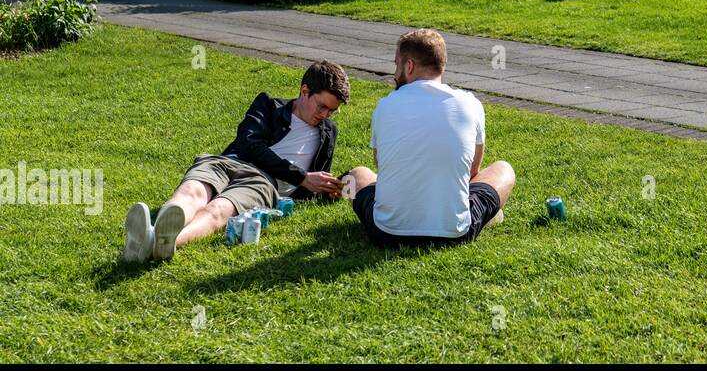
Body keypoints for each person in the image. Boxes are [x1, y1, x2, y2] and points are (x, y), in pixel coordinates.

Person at [121, 61, 350, 263]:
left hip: (262, 182)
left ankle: (159, 243)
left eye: (332, 111)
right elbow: (249, 144)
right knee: (192, 191)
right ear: (305, 91)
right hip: (228, 162)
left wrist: (328, 188)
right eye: (322, 106)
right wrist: (299, 176)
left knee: (218, 209)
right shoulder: (269, 106)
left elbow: (316, 178)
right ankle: (154, 233)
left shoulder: (328, 132)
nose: (325, 115)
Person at [347, 29, 514, 249]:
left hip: (386, 233)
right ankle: (482, 213)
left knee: (356, 174)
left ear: (409, 66)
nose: (395, 73)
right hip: (454, 233)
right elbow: (473, 172)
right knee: (504, 169)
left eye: (396, 65)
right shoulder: (470, 104)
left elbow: (380, 166)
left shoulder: (385, 106)